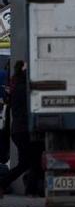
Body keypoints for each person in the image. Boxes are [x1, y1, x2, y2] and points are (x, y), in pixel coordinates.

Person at [0, 61, 41, 197]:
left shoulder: (15, 88)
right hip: (26, 130)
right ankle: (31, 190)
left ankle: (4, 183)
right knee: (34, 161)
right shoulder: (26, 89)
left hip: (17, 130)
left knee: (25, 163)